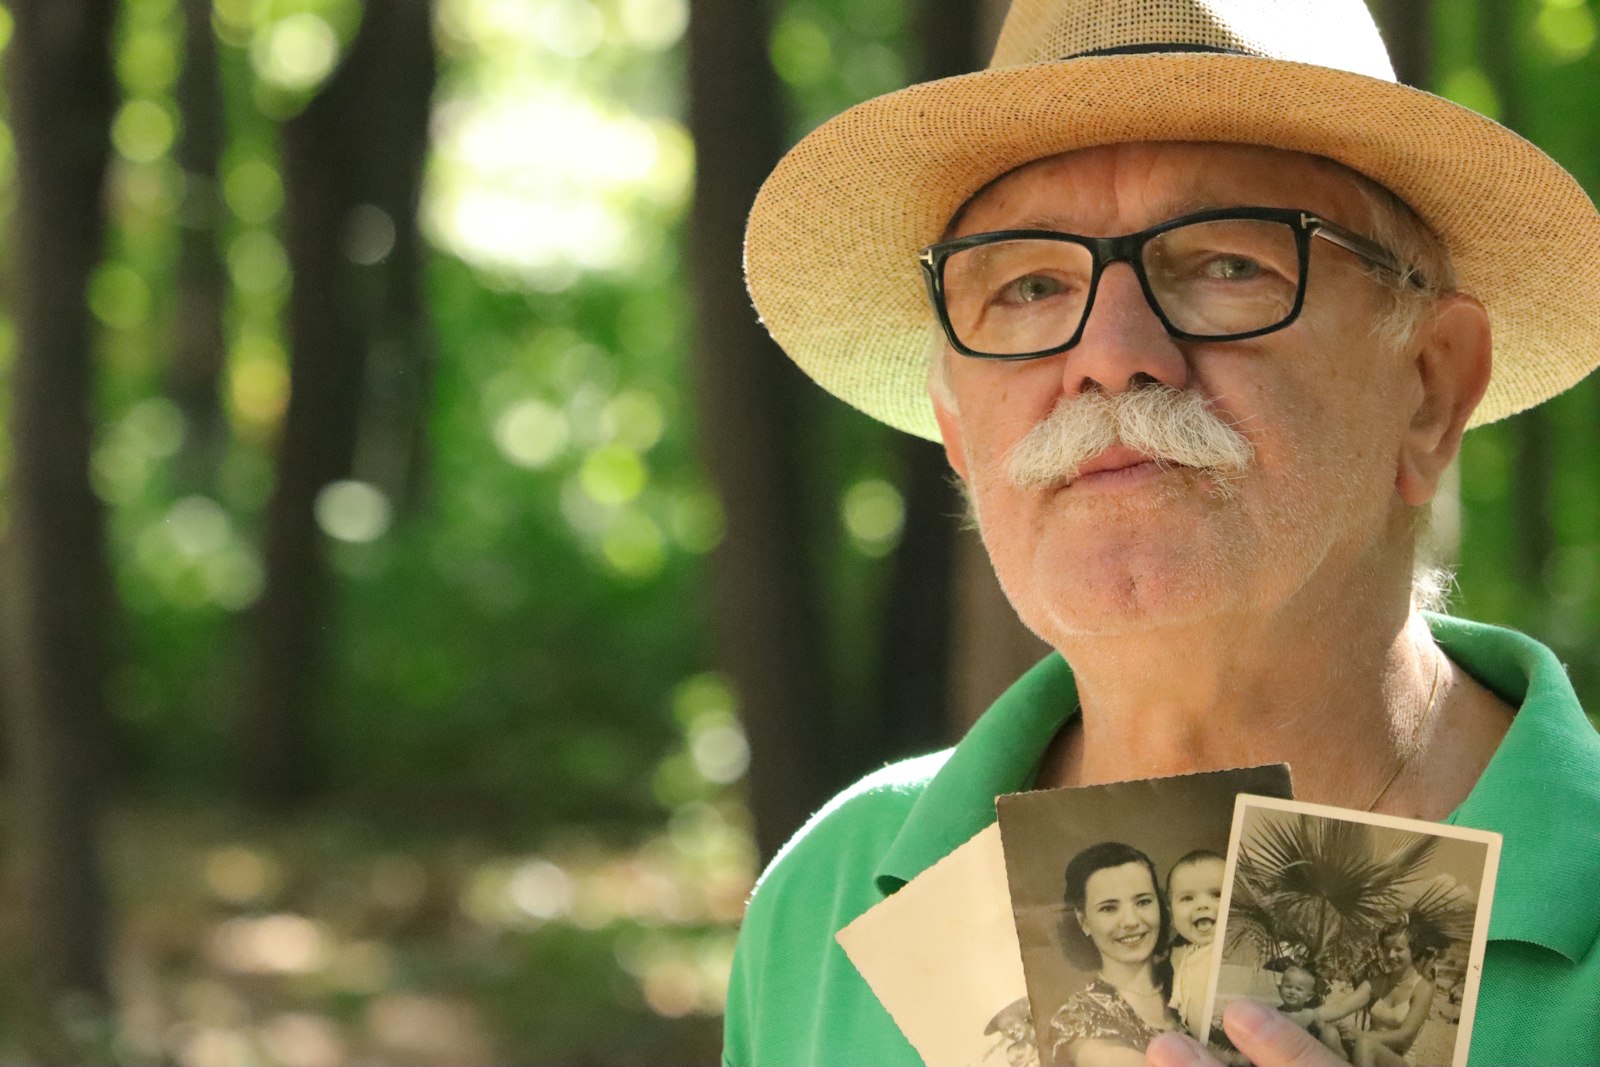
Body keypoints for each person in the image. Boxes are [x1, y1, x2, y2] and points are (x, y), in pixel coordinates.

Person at [721, 1, 1600, 1066]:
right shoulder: (825, 890)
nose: (1109, 353)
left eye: (1226, 264)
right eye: (1031, 284)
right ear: (959, 426)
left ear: (1428, 389)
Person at [1048, 843, 1178, 1066]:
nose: (1131, 921)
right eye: (1109, 908)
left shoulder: (1189, 974)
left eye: (1143, 902)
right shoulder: (1076, 1017)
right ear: (1084, 921)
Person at [1310, 921, 1441, 1066]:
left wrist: (1362, 1035)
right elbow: (1340, 1007)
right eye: (1386, 949)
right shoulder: (1377, 982)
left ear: (1414, 951)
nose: (1390, 955)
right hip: (1365, 1053)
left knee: (1366, 1043)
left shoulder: (1422, 988)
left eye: (1398, 949)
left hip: (1399, 1059)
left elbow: (1406, 1036)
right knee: (1329, 1034)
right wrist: (1307, 1014)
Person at [1164, 851, 1225, 1035]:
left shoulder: (1230, 949)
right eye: (1187, 898)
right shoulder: (1178, 955)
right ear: (1172, 916)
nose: (1202, 905)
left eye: (1216, 894)